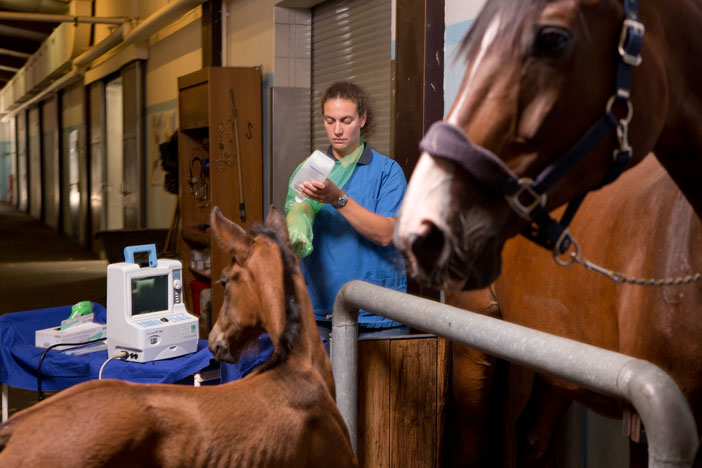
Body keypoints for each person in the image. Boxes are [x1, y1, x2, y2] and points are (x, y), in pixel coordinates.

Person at [285, 81, 409, 345]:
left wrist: (337, 198)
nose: (337, 130)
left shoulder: (388, 172)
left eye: (346, 120)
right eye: (330, 121)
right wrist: (296, 224)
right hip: (322, 311)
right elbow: (297, 211)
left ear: (362, 119)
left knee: (378, 388)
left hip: (377, 315)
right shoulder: (311, 170)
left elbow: (387, 234)